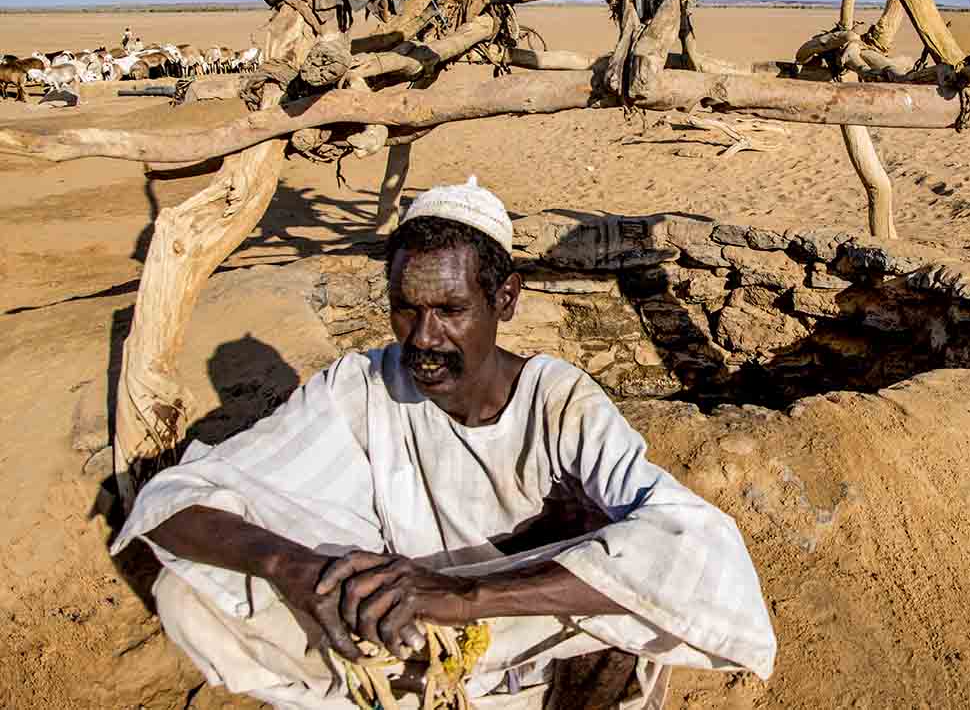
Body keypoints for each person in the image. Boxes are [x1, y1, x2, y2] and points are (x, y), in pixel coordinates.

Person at [112, 177, 776, 709]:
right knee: (189, 594)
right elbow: (175, 499)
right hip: (403, 630)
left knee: (623, 608)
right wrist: (296, 571)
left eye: (451, 311)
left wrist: (459, 598)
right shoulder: (363, 386)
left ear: (505, 299)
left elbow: (694, 543)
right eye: (407, 307)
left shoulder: (561, 402)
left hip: (524, 640)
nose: (424, 337)